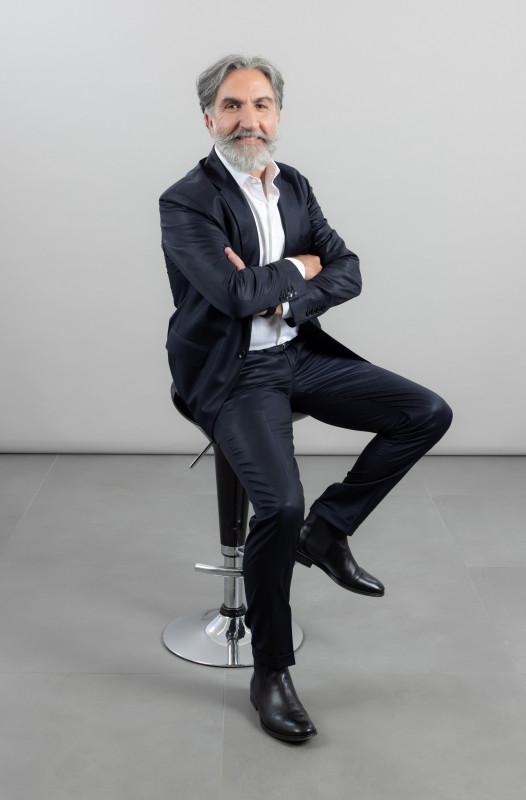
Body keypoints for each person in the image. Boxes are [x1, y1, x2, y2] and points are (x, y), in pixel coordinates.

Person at [159, 54, 452, 743]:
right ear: (208, 119)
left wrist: (284, 297)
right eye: (232, 106)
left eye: (261, 105)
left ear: (278, 115)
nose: (249, 120)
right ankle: (270, 670)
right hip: (234, 372)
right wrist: (297, 266)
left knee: (425, 413)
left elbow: (347, 270)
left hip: (297, 353)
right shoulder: (187, 201)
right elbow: (232, 296)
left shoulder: (292, 183)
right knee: (280, 504)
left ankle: (328, 531)